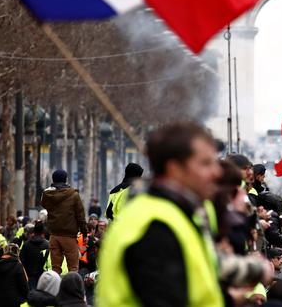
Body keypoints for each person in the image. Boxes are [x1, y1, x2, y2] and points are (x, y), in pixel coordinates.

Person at [96, 121, 224, 306]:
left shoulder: (171, 216)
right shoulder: (156, 227)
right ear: (174, 168)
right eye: (205, 163)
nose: (217, 172)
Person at [40, 169, 87, 274]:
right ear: (66, 179)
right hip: (69, 236)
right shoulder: (73, 195)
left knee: (55, 269)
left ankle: (54, 289)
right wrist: (84, 232)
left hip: (54, 235)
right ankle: (72, 289)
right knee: (73, 268)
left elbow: (43, 204)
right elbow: (80, 216)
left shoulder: (47, 195)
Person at [20, 221, 50, 289]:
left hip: (29, 276)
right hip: (44, 276)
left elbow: (22, 261)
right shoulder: (47, 245)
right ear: (43, 232)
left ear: (34, 231)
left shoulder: (26, 244)